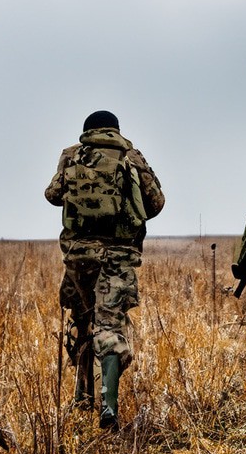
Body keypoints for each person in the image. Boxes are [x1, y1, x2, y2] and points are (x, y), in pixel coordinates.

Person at [45, 110, 165, 429]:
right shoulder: (131, 156)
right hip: (118, 256)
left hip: (78, 255)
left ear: (87, 131)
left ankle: (82, 396)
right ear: (116, 130)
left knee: (82, 322)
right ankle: (107, 404)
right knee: (109, 325)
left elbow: (52, 195)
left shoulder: (70, 156)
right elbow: (156, 203)